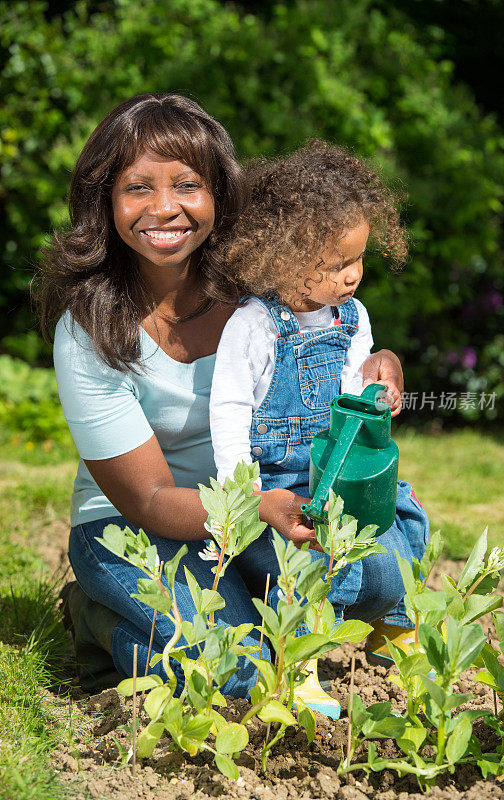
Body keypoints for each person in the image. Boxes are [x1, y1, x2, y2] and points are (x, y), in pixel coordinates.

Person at [35, 93, 413, 701]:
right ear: (105, 201)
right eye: (138, 188)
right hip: (141, 524)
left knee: (384, 573)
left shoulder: (262, 282)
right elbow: (152, 500)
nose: (164, 208)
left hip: (265, 505)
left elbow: (346, 347)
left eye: (187, 185)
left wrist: (384, 365)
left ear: (218, 194)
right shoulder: (89, 330)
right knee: (236, 672)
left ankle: (235, 595)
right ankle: (98, 617)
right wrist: (255, 509)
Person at [209, 142, 429, 716]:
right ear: (281, 256)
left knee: (404, 518)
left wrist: (377, 393)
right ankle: (296, 656)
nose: (353, 275)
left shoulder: (351, 318)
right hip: (281, 478)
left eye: (358, 260)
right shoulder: (255, 326)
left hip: (336, 465)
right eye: (336, 264)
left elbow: (351, 395)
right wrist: (244, 493)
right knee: (303, 560)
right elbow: (229, 409)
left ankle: (395, 631)